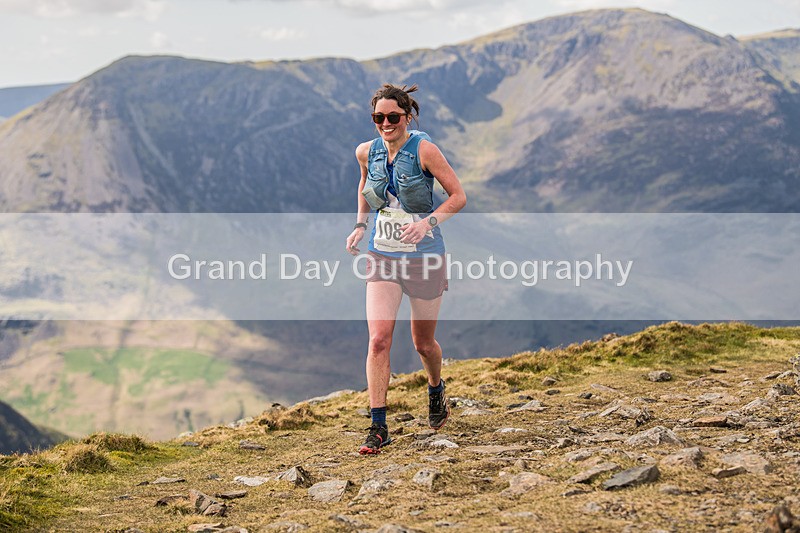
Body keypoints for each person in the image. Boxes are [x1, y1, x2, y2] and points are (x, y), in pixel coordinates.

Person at [345, 83, 467, 455]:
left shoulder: (425, 150)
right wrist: (360, 225)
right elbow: (365, 185)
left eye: (393, 117)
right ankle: (378, 426)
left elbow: (458, 196)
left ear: (407, 117)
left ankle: (435, 389)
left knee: (422, 343)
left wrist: (426, 223)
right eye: (378, 117)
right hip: (383, 254)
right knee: (379, 339)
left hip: (425, 256)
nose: (385, 123)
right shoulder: (366, 152)